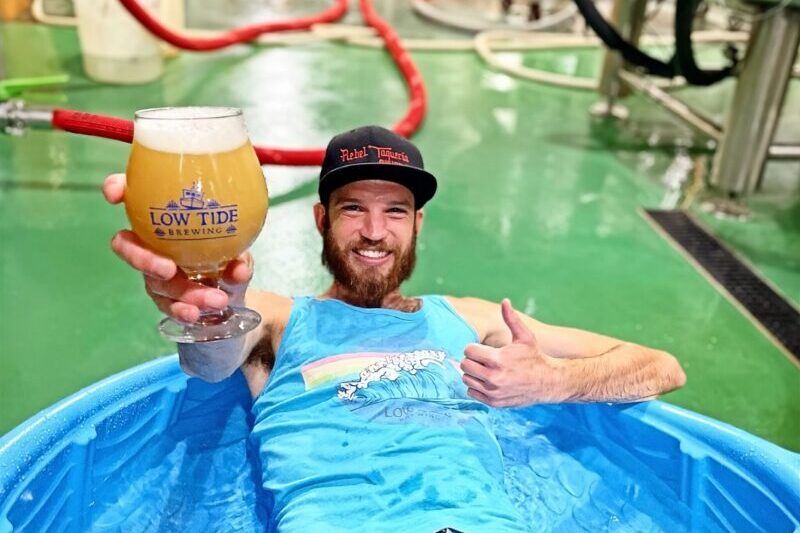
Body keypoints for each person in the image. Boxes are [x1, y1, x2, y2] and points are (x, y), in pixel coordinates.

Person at [103, 125, 686, 533]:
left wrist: (552, 382)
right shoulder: (278, 319)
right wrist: (208, 297)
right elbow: (209, 361)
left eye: (396, 211)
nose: (375, 231)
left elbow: (661, 367)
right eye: (354, 208)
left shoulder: (471, 319)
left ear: (418, 224)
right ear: (321, 220)